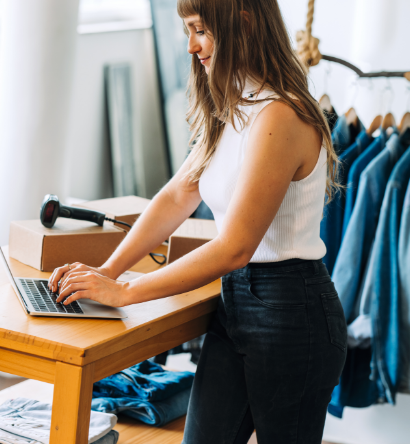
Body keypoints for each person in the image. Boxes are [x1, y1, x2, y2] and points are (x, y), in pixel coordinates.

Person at [48, 0, 346, 442]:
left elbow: (234, 246)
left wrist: (127, 291)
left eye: (200, 30)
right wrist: (107, 271)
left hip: (291, 311)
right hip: (236, 303)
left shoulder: (281, 115)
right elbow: (175, 197)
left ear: (242, 23)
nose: (191, 46)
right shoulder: (234, 108)